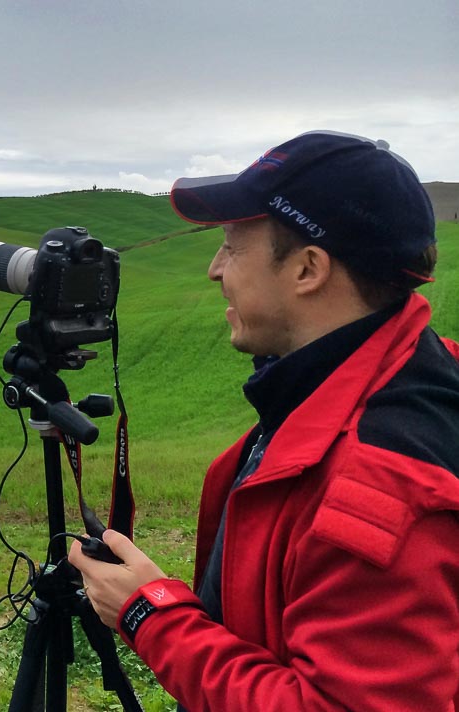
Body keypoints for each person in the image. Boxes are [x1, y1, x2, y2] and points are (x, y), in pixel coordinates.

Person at [69, 131, 459, 711]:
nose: (213, 268)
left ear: (308, 269)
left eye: (231, 244)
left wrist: (152, 613)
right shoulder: (394, 373)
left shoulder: (380, 485)